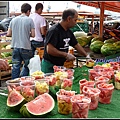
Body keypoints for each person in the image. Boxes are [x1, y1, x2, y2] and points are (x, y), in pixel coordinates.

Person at [41, 8, 89, 73]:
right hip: (50, 65)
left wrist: (86, 56)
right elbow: (50, 50)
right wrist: (66, 55)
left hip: (60, 65)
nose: (76, 23)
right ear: (69, 19)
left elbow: (76, 45)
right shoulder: (54, 31)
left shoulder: (69, 32)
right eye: (75, 20)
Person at [6, 3, 35, 79]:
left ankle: (14, 85)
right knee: (27, 65)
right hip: (26, 47)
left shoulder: (13, 20)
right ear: (28, 11)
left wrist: (17, 33)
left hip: (15, 47)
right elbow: (33, 35)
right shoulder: (30, 20)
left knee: (15, 67)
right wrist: (25, 33)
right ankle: (23, 81)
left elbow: (8, 34)